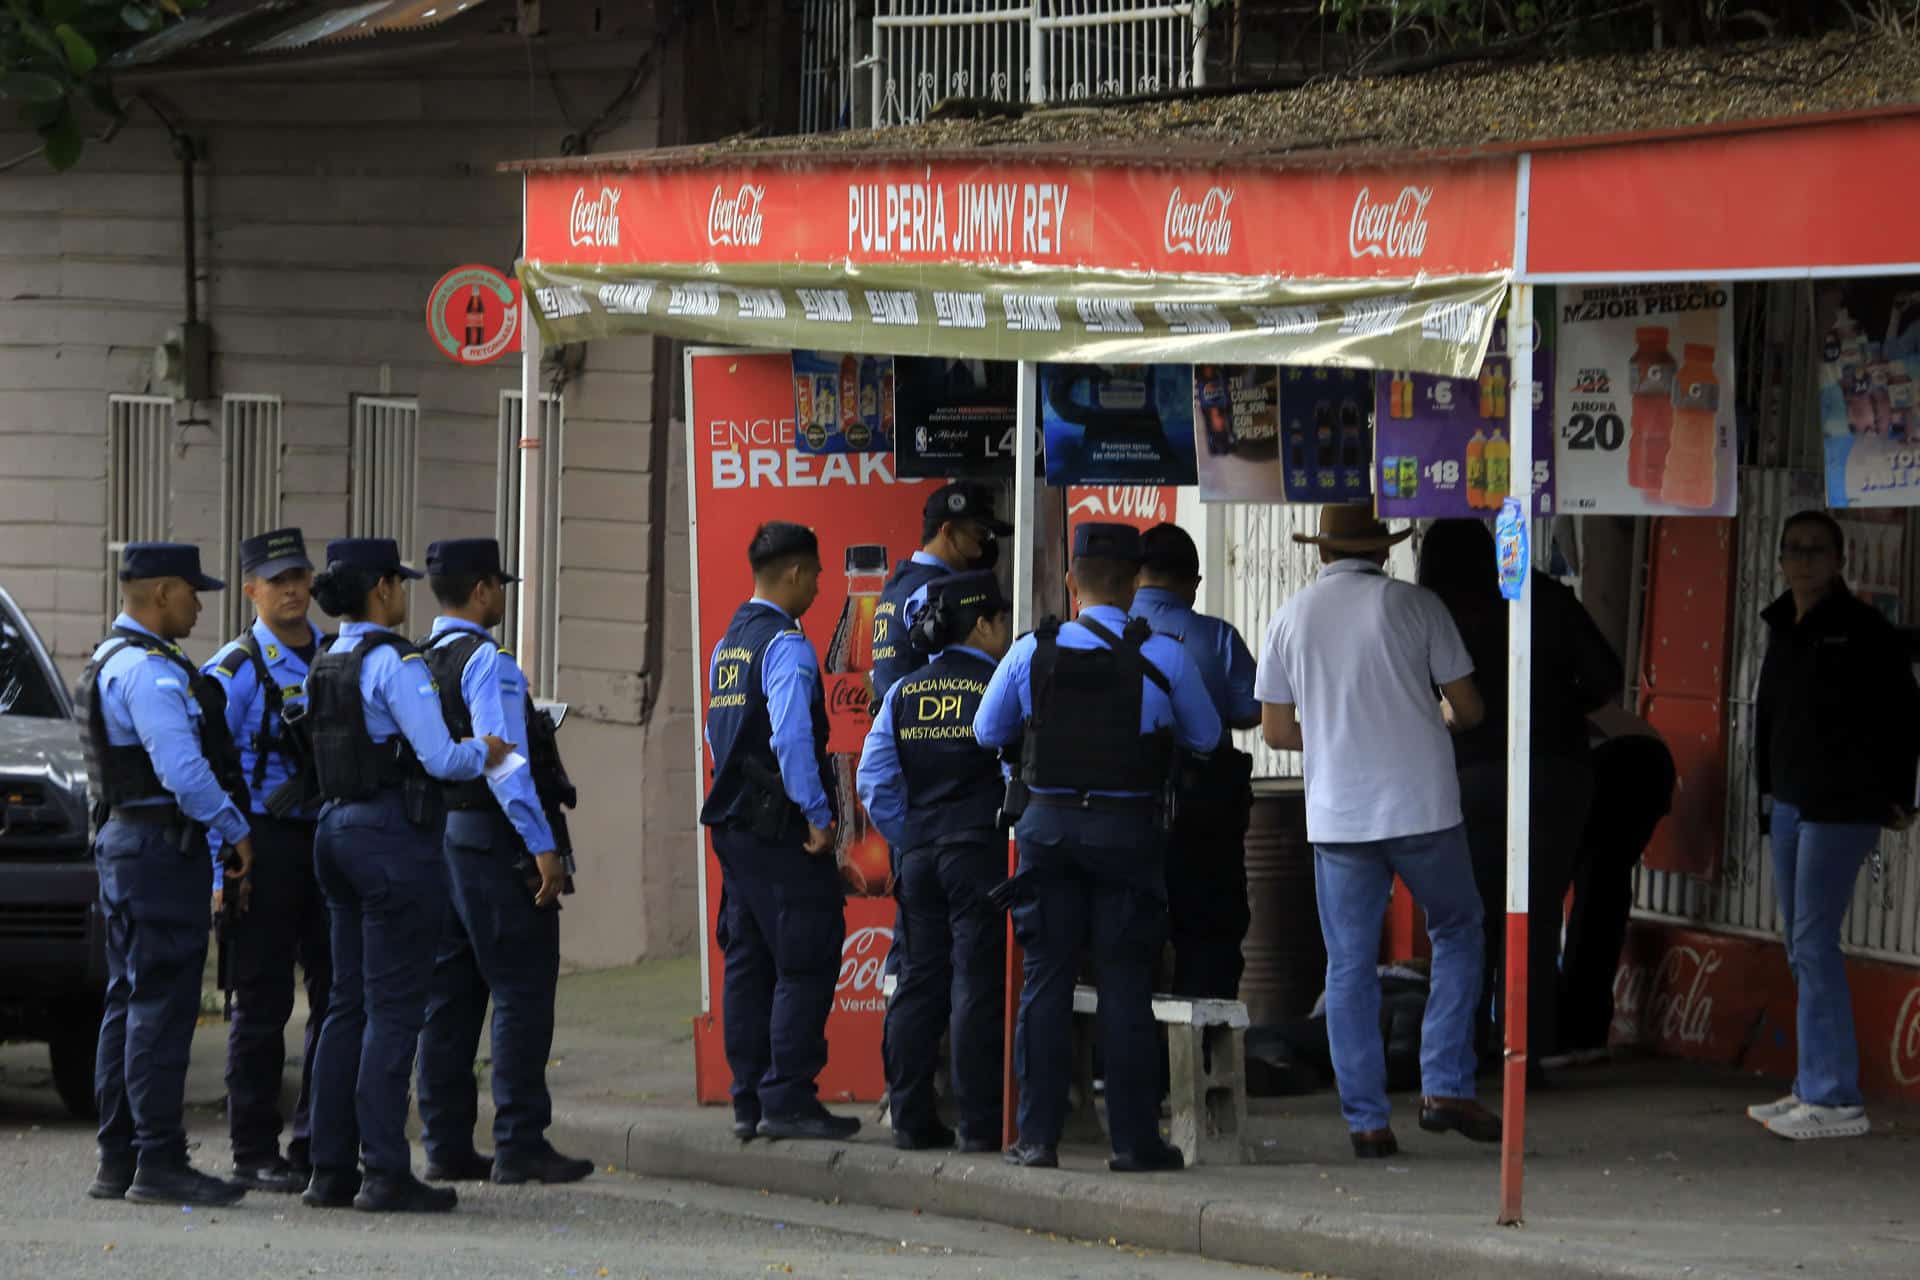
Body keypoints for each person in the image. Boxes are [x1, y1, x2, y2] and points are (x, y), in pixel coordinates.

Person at [974, 522, 1222, 1174]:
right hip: (1126, 836)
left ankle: (1037, 1139)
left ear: (1070, 582)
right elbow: (1207, 737)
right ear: (1136, 582)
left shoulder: (1032, 651)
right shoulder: (1164, 655)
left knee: (1046, 984)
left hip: (1047, 834)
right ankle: (1134, 1142)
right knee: (1125, 985)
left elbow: (985, 730)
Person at [1254, 504, 1496, 1160]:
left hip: (1339, 817)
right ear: (1383, 551)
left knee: (1350, 966)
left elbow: (1276, 731)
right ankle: (1444, 1083)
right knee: (1458, 932)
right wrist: (1430, 721)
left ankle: (1366, 1122)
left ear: (1322, 552)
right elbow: (1469, 708)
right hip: (1423, 807)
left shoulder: (1290, 618)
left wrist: (1338, 738)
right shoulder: (1418, 607)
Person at [300, 538, 508, 1214]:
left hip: (333, 830)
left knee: (345, 1004)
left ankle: (329, 1168)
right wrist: (490, 748)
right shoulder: (394, 661)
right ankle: (385, 1168)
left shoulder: (325, 658)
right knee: (393, 1009)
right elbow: (443, 758)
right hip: (390, 838)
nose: (403, 593)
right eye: (398, 582)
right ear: (383, 587)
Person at [77, 542, 255, 1207]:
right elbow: (183, 773)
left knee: (128, 1001)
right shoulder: (150, 674)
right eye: (191, 592)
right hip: (157, 850)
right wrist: (235, 829)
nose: (199, 604)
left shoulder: (108, 658)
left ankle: (119, 1157)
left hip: (128, 845)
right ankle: (158, 1160)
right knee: (160, 1004)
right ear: (160, 594)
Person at [415, 538, 594, 1186]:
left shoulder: (418, 659)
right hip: (493, 839)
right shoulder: (488, 662)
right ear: (484, 589)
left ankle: (445, 1143)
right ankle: (520, 1141)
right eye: (501, 588)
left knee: (450, 997)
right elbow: (505, 763)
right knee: (521, 991)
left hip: (438, 839)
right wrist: (542, 844)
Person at [1416, 518, 1623, 1078]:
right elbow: (1607, 676)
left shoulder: (1431, 610)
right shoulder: (1544, 595)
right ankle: (1524, 1052)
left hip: (1472, 774)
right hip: (1557, 772)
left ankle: (1465, 1053)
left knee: (1471, 918)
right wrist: (1557, 707)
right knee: (1533, 913)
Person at [1748, 510, 1920, 1141]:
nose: (1803, 560)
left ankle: (1835, 1096)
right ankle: (1811, 1083)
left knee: (1815, 944)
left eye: (1816, 550)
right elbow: (1769, 720)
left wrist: (1898, 797)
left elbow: (1903, 717)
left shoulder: (1863, 630)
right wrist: (1765, 797)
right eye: (1793, 549)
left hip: (1841, 806)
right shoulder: (1782, 627)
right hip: (1791, 801)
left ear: (1839, 560)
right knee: (1801, 946)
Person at [700, 522, 860, 1143]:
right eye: (817, 575)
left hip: (736, 828)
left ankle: (749, 1100)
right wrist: (820, 819)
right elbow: (793, 739)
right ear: (793, 573)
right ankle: (789, 1098)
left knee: (748, 960)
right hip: (781, 833)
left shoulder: (729, 643)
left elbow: (720, 738)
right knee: (804, 958)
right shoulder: (785, 646)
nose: (820, 587)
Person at [856, 571, 1012, 1153]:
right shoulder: (1000, 687)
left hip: (919, 854)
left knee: (918, 983)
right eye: (999, 618)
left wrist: (913, 835)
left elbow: (874, 782)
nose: (1005, 628)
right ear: (981, 625)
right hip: (977, 852)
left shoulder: (902, 692)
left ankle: (912, 1119)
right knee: (975, 981)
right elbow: (1014, 773)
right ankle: (979, 1125)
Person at [202, 528, 333, 1193]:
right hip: (263, 844)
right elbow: (203, 764)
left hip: (332, 842)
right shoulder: (239, 666)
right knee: (261, 1005)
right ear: (250, 589)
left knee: (337, 998)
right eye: (276, 580)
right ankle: (254, 1148)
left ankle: (318, 1141)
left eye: (299, 577)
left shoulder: (340, 654)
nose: (291, 589)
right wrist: (221, 866)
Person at [1132, 523, 1261, 999]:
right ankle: (1204, 1058)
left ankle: (1130, 1060)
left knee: (1128, 936)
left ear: (1135, 577)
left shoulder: (1103, 635)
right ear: (1194, 584)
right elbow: (1251, 710)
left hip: (1124, 811)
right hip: (1204, 814)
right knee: (1210, 935)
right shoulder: (1217, 638)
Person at [1554, 710, 1677, 1063]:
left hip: (1604, 761)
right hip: (1650, 757)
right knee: (1604, 888)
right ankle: (1583, 1032)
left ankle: (1558, 1033)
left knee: (1554, 898)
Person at [868, 482, 1012, 702]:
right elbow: (945, 675)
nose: (983, 547)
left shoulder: (898, 584)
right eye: (979, 534)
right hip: (924, 722)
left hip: (900, 721)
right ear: (948, 531)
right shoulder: (934, 591)